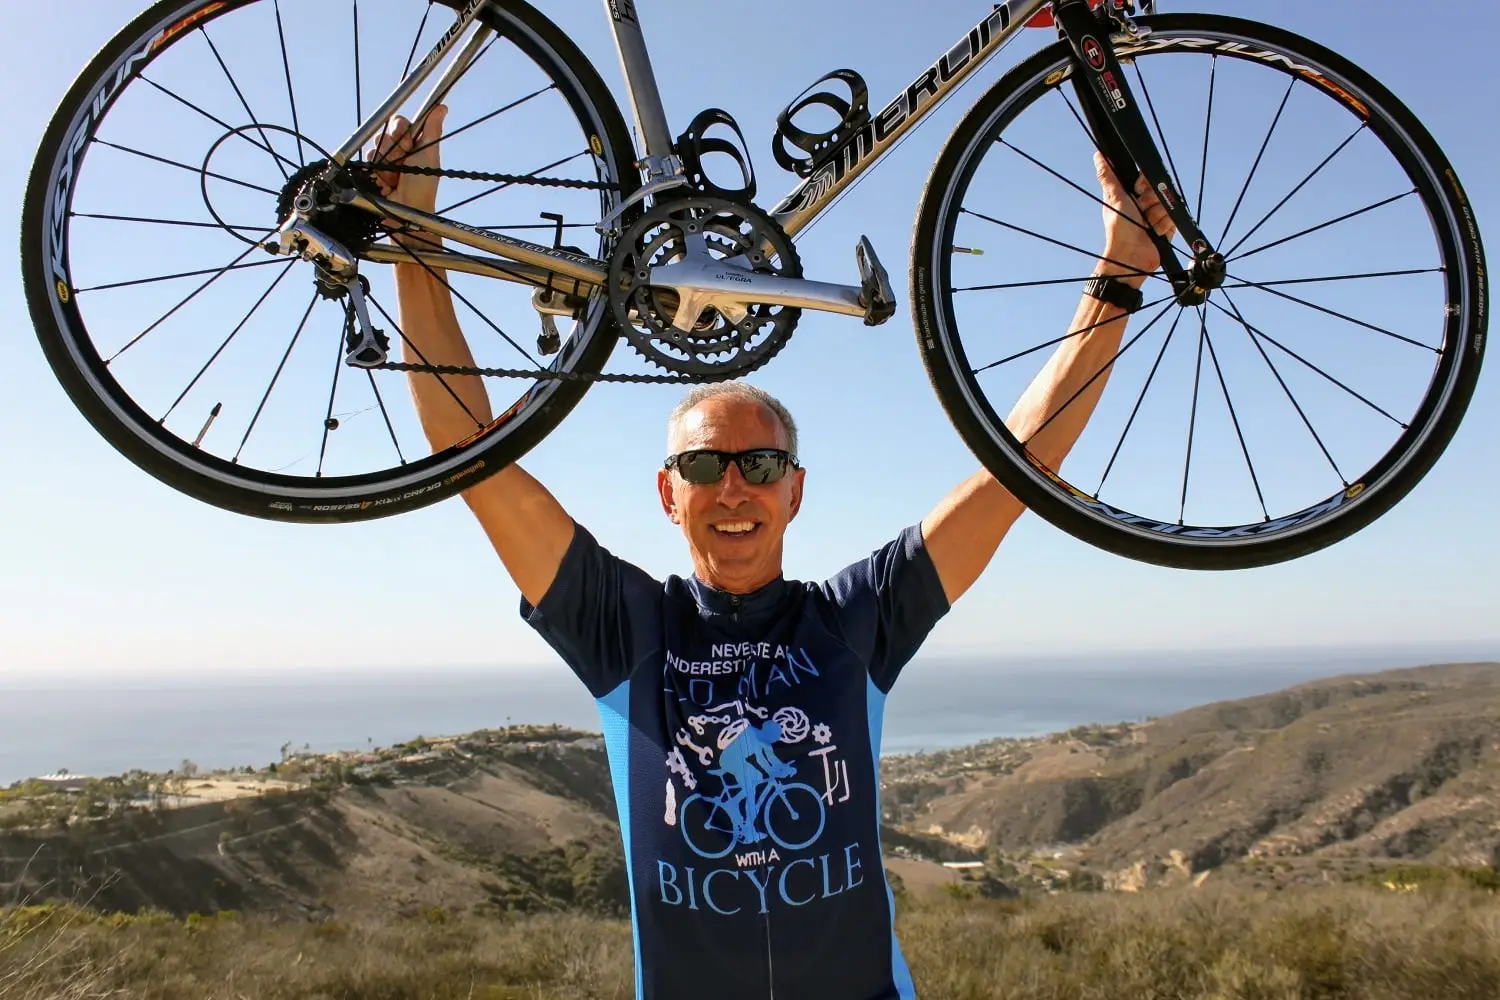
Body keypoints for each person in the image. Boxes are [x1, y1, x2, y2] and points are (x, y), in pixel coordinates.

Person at [375, 104, 1172, 1000]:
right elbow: (475, 457)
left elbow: (1015, 471)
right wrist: (413, 240)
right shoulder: (627, 627)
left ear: (795, 489)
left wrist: (1120, 270)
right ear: (669, 492)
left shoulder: (852, 620)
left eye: (760, 464)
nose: (734, 488)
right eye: (704, 465)